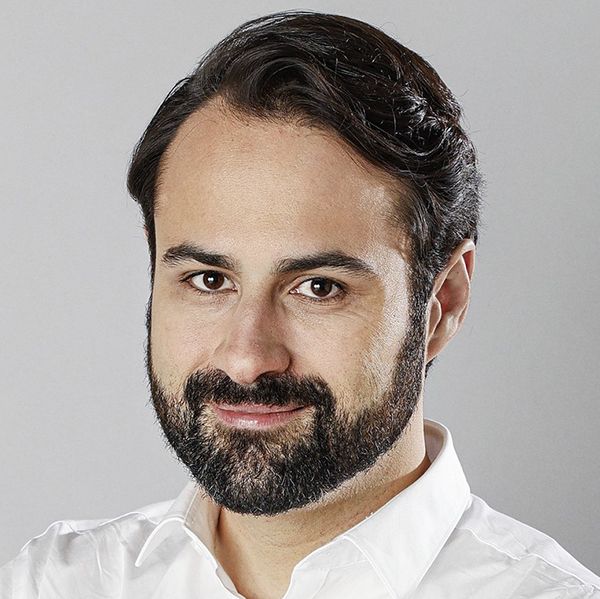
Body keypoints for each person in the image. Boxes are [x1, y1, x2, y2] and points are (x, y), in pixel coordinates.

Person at [2, 9, 598, 599]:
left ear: (442, 302)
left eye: (319, 287)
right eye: (208, 280)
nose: (246, 359)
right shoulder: (58, 584)